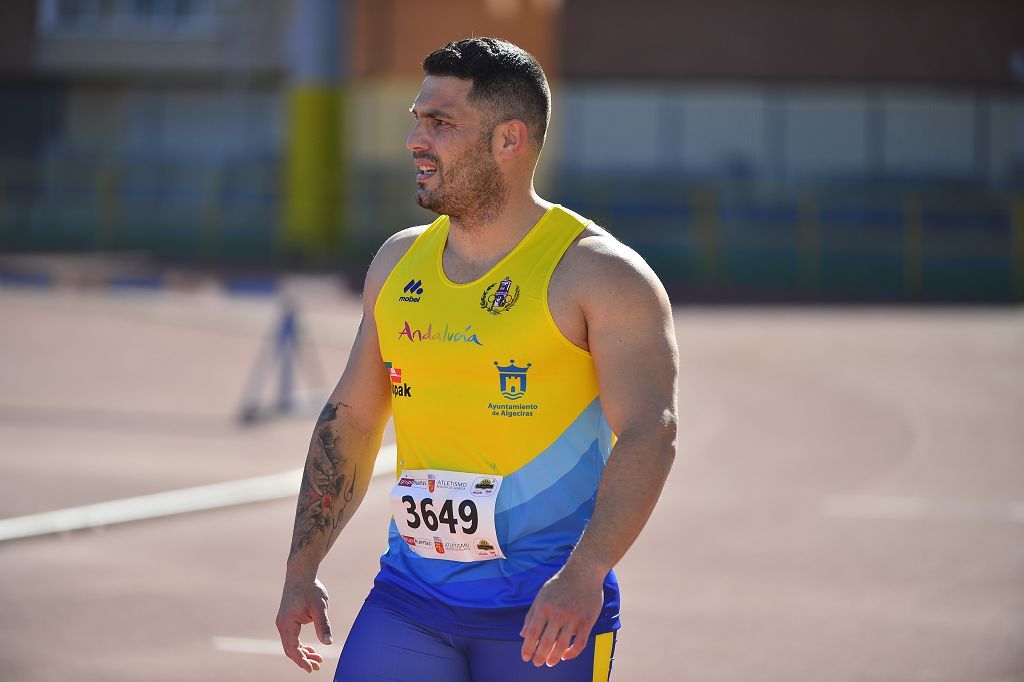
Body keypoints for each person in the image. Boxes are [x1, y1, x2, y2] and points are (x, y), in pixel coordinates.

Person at [276, 37, 678, 681]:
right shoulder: (396, 263)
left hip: (545, 610)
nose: (414, 139)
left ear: (509, 140)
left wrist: (584, 576)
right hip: (411, 599)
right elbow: (350, 419)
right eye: (416, 118)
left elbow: (648, 431)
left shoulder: (600, 276)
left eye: (440, 123)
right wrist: (302, 571)